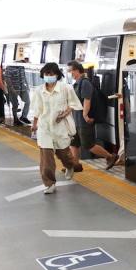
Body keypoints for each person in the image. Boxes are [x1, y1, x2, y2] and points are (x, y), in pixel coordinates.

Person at [31, 63, 83, 194]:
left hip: (60, 126)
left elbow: (74, 104)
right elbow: (38, 109)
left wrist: (64, 114)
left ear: (57, 75)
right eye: (46, 74)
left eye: (51, 74)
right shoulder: (39, 91)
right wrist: (34, 124)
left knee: (64, 153)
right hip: (45, 127)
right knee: (46, 156)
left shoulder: (66, 88)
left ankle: (70, 166)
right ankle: (49, 183)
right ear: (43, 75)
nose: (49, 76)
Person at [66, 61, 118, 169]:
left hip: (83, 120)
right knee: (74, 143)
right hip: (75, 120)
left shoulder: (85, 83)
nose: (69, 73)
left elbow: (87, 100)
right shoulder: (76, 83)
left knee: (88, 144)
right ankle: (75, 165)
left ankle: (110, 156)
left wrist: (85, 115)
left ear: (76, 70)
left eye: (69, 71)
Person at [5, 61, 31, 126]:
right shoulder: (9, 67)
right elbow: (7, 79)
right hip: (14, 88)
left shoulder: (22, 67)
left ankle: (24, 116)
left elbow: (24, 76)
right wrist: (11, 88)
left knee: (27, 101)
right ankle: (15, 119)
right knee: (15, 104)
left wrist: (27, 85)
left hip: (22, 87)